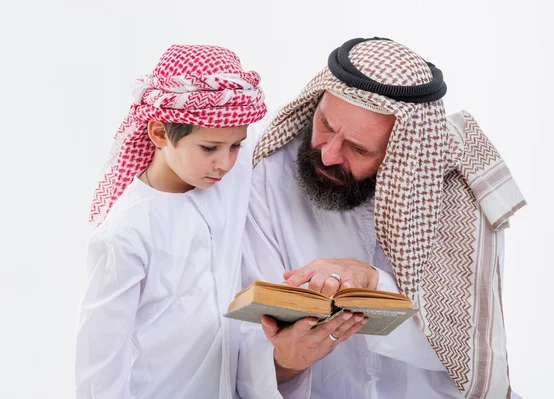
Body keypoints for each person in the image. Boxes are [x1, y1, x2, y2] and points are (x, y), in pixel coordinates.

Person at [237, 37, 525, 398]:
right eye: (325, 125)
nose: (327, 155)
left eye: (357, 148)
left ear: (401, 159)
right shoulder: (270, 175)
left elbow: (469, 349)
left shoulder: (458, 193)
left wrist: (373, 285)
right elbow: (244, 332)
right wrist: (286, 361)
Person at [75, 44, 267, 399]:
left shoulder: (223, 181)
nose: (225, 162)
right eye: (210, 148)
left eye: (235, 146)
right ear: (160, 134)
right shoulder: (126, 232)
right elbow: (99, 366)